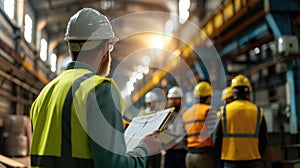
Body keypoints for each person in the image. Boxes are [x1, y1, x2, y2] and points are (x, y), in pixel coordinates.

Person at [30, 8, 161, 168]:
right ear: (106, 47)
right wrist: (144, 149)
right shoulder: (100, 90)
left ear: (71, 47)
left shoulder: (44, 94)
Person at [214, 75, 268, 168]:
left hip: (231, 160)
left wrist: (222, 155)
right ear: (249, 92)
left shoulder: (224, 111)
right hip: (253, 160)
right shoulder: (258, 111)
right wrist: (257, 155)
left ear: (233, 93)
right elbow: (264, 140)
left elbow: (217, 138)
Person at [182, 81, 216, 168]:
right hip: (204, 156)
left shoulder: (186, 113)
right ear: (208, 98)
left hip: (190, 156)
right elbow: (213, 135)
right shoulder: (208, 110)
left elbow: (184, 138)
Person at [164, 86, 187, 168]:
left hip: (182, 151)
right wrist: (168, 142)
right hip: (170, 152)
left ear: (181, 99)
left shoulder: (186, 113)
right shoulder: (165, 115)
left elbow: (188, 132)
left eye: (176, 99)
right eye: (171, 99)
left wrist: (177, 142)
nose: (173, 101)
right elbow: (160, 132)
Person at [216, 87, 233, 168]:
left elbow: (216, 137)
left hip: (225, 153)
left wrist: (218, 153)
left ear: (225, 101)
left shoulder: (221, 113)